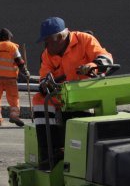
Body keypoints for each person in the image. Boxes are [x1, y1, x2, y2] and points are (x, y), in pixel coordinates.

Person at [32, 17, 113, 158]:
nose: (46, 45)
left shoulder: (84, 40)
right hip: (65, 94)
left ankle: (81, 146)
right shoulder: (47, 55)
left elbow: (106, 58)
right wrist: (45, 84)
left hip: (88, 90)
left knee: (75, 118)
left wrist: (92, 66)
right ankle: (50, 150)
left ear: (60, 37)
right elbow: (44, 76)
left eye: (48, 41)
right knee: (39, 99)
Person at [0, 28, 30, 127]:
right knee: (14, 98)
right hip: (10, 78)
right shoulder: (13, 47)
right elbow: (19, 62)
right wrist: (26, 72)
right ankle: (14, 116)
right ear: (7, 37)